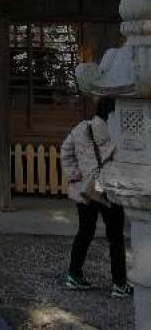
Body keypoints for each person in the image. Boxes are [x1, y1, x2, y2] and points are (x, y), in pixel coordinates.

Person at [60, 96, 133, 297]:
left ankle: (74, 275)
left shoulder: (82, 128)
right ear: (112, 113)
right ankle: (119, 284)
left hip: (86, 187)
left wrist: (75, 175)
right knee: (115, 237)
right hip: (108, 187)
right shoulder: (116, 133)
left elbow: (65, 151)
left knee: (85, 232)